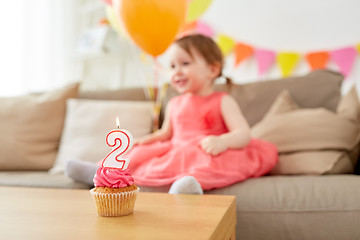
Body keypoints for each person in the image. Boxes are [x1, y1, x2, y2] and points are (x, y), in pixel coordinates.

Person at [66, 34, 278, 194]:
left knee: (199, 162)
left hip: (206, 149)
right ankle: (98, 172)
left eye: (185, 64)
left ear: (213, 70)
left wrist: (222, 141)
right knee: (140, 155)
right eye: (173, 65)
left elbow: (243, 133)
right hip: (177, 148)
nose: (177, 71)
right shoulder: (175, 102)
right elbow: (166, 134)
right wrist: (147, 140)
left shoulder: (222, 101)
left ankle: (186, 188)